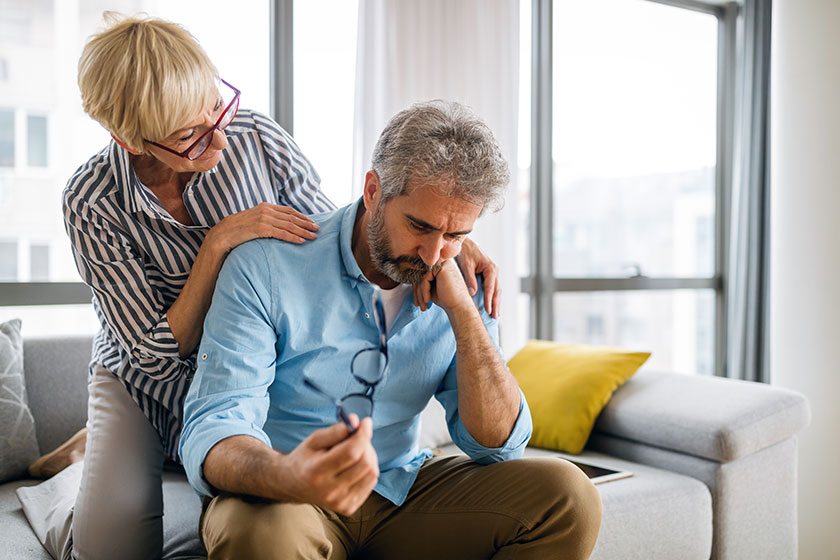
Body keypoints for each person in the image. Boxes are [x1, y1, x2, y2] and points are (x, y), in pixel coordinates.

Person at [16, 15, 499, 560]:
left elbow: (334, 234)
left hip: (244, 362)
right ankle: (67, 485)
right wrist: (217, 246)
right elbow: (152, 353)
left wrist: (442, 239)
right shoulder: (91, 200)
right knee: (113, 549)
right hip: (143, 376)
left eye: (215, 108)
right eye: (189, 136)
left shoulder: (257, 137)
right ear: (127, 139)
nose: (220, 135)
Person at [180, 100, 603, 559]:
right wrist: (291, 475)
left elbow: (497, 447)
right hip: (287, 494)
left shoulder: (461, 275)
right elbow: (216, 424)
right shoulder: (266, 264)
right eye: (419, 226)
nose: (432, 254)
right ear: (372, 190)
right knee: (260, 533)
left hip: (400, 491)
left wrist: (463, 313)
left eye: (455, 234)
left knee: (569, 497)